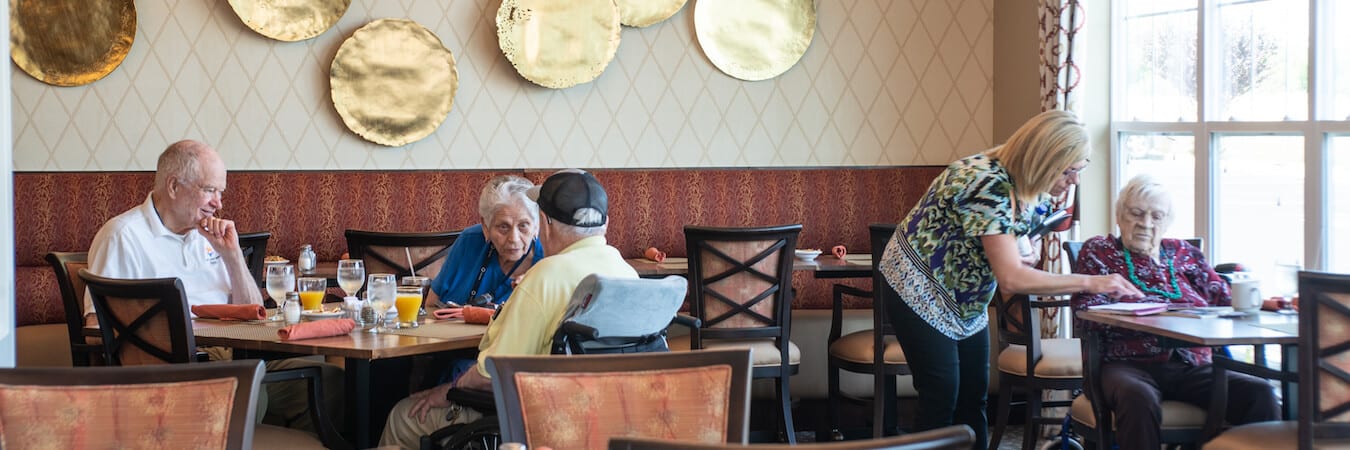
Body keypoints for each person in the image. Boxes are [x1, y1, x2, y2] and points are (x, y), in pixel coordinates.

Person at [877, 110, 1144, 449]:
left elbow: (1017, 243)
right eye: (1069, 169)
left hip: (967, 298)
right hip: (916, 286)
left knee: (973, 397)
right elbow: (1012, 279)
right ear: (1044, 160)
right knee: (941, 395)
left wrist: (1023, 247)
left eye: (1081, 167)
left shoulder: (1032, 185)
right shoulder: (985, 182)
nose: (1074, 180)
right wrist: (1093, 282)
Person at [85, 140, 341, 432]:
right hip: (173, 371)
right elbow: (96, 329)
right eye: (209, 190)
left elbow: (252, 312)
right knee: (244, 393)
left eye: (220, 192)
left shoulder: (206, 236)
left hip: (238, 357)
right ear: (173, 187)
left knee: (331, 383)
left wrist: (232, 256)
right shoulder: (123, 236)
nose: (218, 203)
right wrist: (183, 335)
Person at [380, 170, 639, 449]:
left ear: (545, 225)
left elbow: (492, 373)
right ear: (606, 223)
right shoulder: (628, 273)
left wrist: (448, 391)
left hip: (533, 420)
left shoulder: (545, 275)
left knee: (400, 418)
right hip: (602, 421)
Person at [1071, 175, 1279, 449]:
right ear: (1119, 216)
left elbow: (1225, 298)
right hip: (1124, 363)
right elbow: (1084, 309)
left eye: (1157, 216)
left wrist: (1269, 302)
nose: (1146, 223)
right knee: (1137, 396)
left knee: (1259, 392)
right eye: (1136, 213)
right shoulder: (1100, 251)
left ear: (1167, 222)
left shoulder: (1185, 253)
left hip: (1191, 364)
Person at [427, 175, 545, 308]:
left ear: (536, 226)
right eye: (503, 227)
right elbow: (431, 305)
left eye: (523, 225)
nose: (514, 238)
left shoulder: (549, 259)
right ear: (486, 226)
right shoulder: (469, 241)